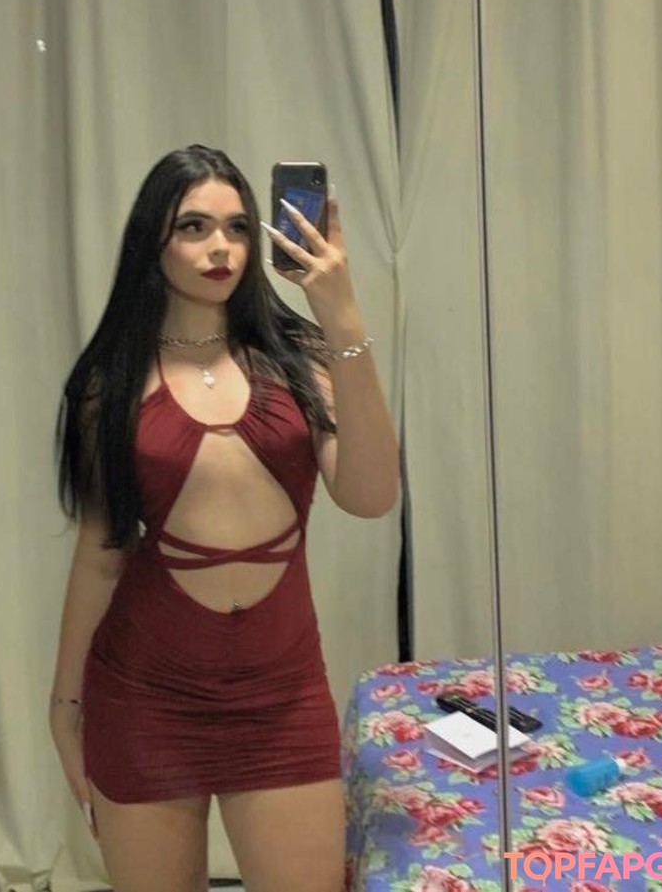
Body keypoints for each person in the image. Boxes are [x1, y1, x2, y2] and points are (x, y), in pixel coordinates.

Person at [51, 144, 400, 892]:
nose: (222, 247)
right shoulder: (111, 382)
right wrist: (64, 704)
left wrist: (341, 316)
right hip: (144, 696)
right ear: (153, 240)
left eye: (239, 227)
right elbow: (101, 554)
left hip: (281, 697)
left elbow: (372, 495)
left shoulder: (300, 358)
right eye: (195, 227)